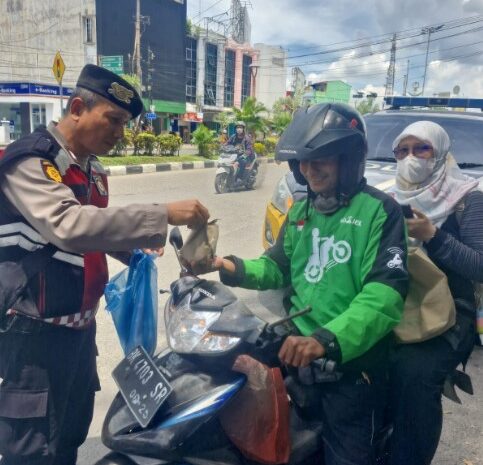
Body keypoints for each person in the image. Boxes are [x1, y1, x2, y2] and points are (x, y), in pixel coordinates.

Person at [0, 64, 210, 465]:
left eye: (126, 124)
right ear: (78, 107)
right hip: (34, 336)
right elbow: (69, 225)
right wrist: (160, 214)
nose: (120, 132)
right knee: (32, 449)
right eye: (113, 120)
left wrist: (133, 251)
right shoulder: (31, 160)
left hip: (80, 330)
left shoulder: (92, 168)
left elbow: (94, 232)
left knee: (69, 436)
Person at [212, 103, 408, 465]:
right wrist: (230, 266)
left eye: (320, 160)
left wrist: (325, 340)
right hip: (294, 352)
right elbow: (276, 268)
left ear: (348, 160)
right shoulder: (302, 211)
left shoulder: (380, 211)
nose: (308, 170)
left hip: (352, 370)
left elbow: (385, 296)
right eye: (302, 161)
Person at [388, 120, 481, 465]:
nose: (411, 158)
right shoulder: (391, 195)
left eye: (421, 148)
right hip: (396, 300)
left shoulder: (467, 197)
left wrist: (434, 236)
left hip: (450, 312)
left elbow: (480, 266)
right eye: (403, 150)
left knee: (415, 378)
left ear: (440, 152)